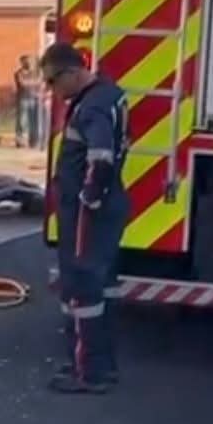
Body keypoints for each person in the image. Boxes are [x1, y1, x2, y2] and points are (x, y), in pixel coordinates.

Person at [40, 42, 129, 394]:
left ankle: (86, 372)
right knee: (102, 285)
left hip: (86, 214)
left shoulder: (91, 107)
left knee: (81, 288)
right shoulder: (109, 95)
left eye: (53, 81)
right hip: (105, 210)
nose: (52, 91)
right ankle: (101, 365)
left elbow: (101, 159)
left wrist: (87, 199)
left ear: (73, 73)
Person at [14, 55, 42, 149]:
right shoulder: (18, 73)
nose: (28, 63)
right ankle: (20, 141)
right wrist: (34, 83)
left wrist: (31, 82)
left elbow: (40, 82)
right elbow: (22, 84)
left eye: (29, 61)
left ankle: (33, 141)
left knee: (34, 121)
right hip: (23, 99)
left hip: (35, 99)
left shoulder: (35, 73)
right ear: (22, 63)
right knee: (22, 121)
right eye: (25, 61)